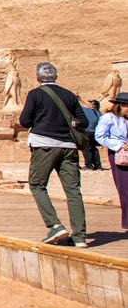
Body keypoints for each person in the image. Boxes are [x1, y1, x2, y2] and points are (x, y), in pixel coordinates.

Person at [18, 62, 89, 247]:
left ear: (38, 78)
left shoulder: (35, 95)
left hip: (44, 145)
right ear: (55, 76)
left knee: (37, 185)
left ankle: (55, 224)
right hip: (69, 146)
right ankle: (80, 236)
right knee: (73, 191)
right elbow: (83, 120)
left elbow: (24, 121)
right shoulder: (69, 95)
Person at [94, 92, 128, 230]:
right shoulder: (109, 118)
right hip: (120, 155)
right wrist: (120, 145)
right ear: (121, 105)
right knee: (125, 188)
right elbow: (100, 136)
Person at [82, 98, 103, 170]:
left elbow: (78, 106)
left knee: (86, 148)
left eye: (90, 103)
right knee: (94, 149)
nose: (88, 104)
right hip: (95, 133)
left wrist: (77, 99)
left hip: (87, 132)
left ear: (93, 106)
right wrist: (81, 99)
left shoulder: (87, 111)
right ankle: (98, 166)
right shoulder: (98, 113)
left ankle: (88, 166)